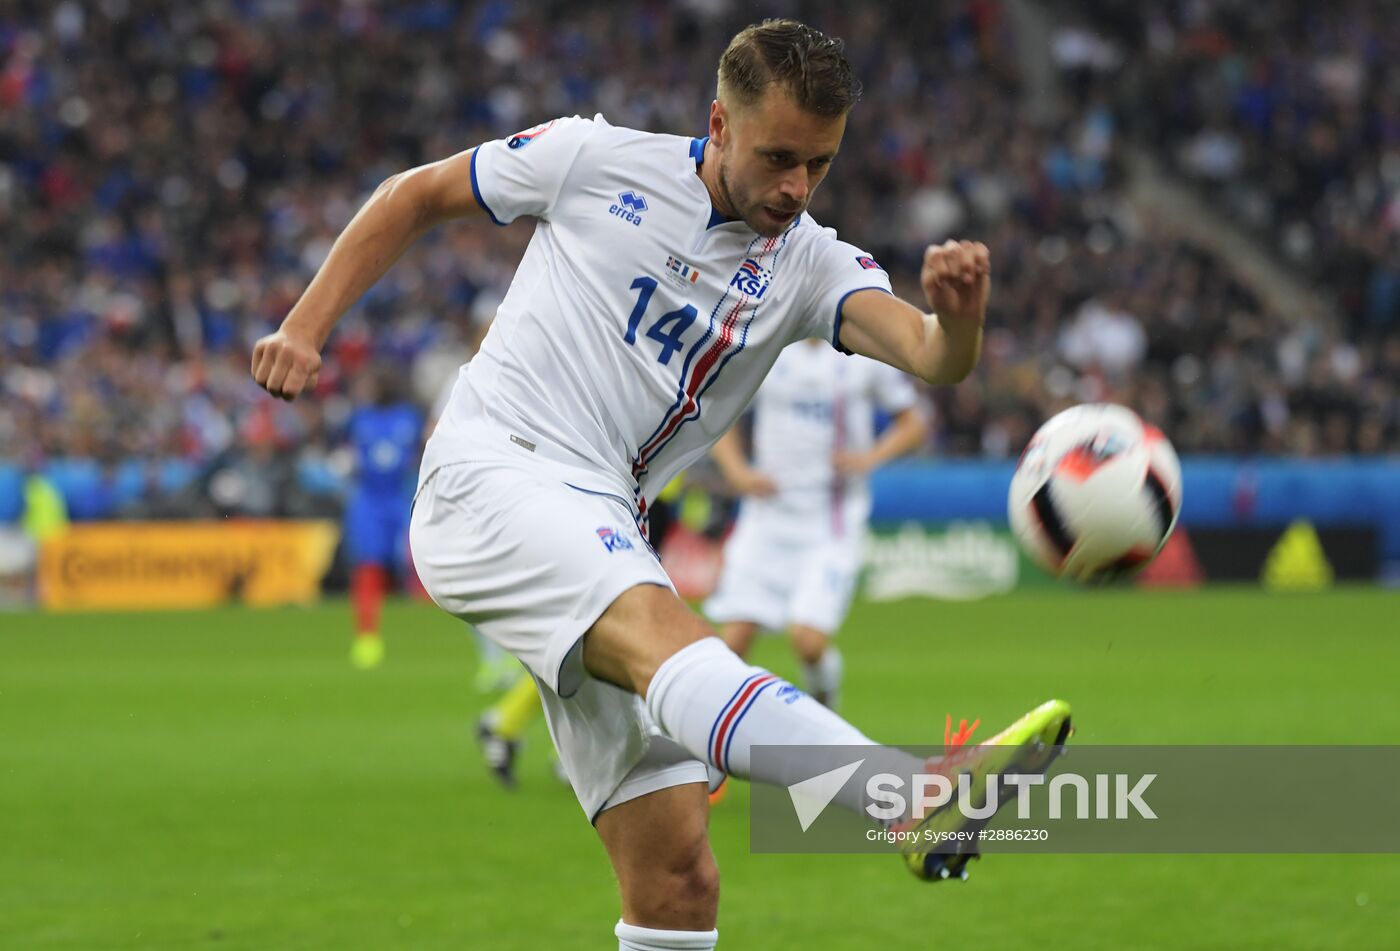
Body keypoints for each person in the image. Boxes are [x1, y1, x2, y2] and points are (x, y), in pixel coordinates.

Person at [252, 19, 1070, 949]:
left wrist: (959, 323)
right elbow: (416, 194)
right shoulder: (591, 159)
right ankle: (906, 794)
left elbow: (928, 353)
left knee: (677, 875)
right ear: (718, 125)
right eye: (779, 157)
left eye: (821, 165)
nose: (797, 187)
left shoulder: (808, 262)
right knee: (673, 638)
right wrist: (304, 327)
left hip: (603, 518)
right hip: (494, 470)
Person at [706, 341, 929, 711]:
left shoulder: (862, 357)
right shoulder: (767, 344)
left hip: (830, 525)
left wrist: (870, 457)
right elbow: (715, 411)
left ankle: (826, 708)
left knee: (808, 642)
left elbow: (914, 424)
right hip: (766, 520)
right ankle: (716, 756)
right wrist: (738, 472)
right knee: (730, 647)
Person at [344, 367, 423, 668]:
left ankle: (424, 633)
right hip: (370, 500)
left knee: (417, 565)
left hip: (401, 496)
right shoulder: (359, 418)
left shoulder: (409, 416)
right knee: (369, 567)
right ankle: (367, 637)